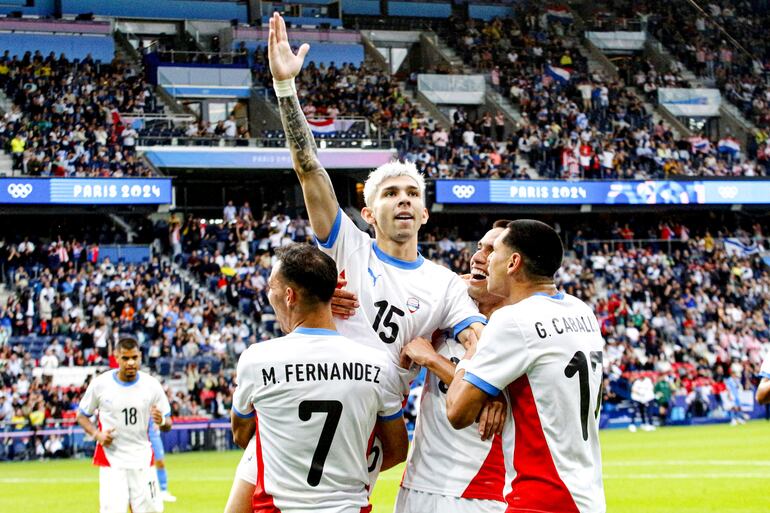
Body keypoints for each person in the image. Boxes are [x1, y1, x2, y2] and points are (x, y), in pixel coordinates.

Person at [229, 244, 408, 512]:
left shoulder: (257, 360)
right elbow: (396, 450)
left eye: (271, 287)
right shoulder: (377, 365)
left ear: (289, 296)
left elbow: (242, 435)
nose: (269, 295)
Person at [447, 220, 606, 513]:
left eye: (494, 251)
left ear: (513, 262)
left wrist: (470, 349)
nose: (487, 259)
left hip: (540, 495)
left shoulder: (514, 320)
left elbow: (457, 411)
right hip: (587, 493)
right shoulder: (582, 311)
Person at [396, 221, 513, 512]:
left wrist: (432, 360)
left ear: (512, 265)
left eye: (491, 250)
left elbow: (475, 398)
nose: (477, 256)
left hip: (478, 492)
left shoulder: (518, 326)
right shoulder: (445, 309)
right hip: (416, 484)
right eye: (478, 247)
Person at [77, 336, 173, 513]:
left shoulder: (151, 385)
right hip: (112, 461)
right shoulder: (101, 384)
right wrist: (97, 435)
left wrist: (162, 421)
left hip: (142, 458)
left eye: (134, 358)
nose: (130, 363)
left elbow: (168, 422)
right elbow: (82, 415)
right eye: (125, 358)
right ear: (116, 357)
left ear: (140, 357)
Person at [148, 419, 176, 502]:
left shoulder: (159, 406)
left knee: (160, 462)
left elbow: (168, 421)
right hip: (141, 437)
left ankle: (163, 491)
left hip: (154, 436)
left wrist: (162, 421)